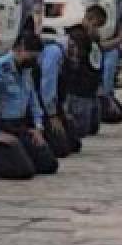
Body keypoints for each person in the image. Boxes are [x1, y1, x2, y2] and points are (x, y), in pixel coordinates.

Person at [0, 31, 59, 179]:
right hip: (2, 126)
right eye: (31, 56)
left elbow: (33, 101)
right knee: (23, 171)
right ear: (19, 49)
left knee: (49, 164)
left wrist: (38, 127)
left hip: (21, 125)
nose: (33, 61)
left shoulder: (26, 70)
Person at [35, 27, 83, 159]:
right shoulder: (54, 52)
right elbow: (47, 86)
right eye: (75, 50)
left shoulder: (68, 56)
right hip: (41, 102)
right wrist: (52, 115)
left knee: (74, 144)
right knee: (61, 149)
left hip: (55, 103)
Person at [65, 8, 106, 138]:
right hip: (80, 88)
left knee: (93, 127)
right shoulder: (78, 36)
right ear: (90, 20)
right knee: (81, 129)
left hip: (91, 88)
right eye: (96, 25)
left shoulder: (93, 38)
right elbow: (78, 60)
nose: (97, 29)